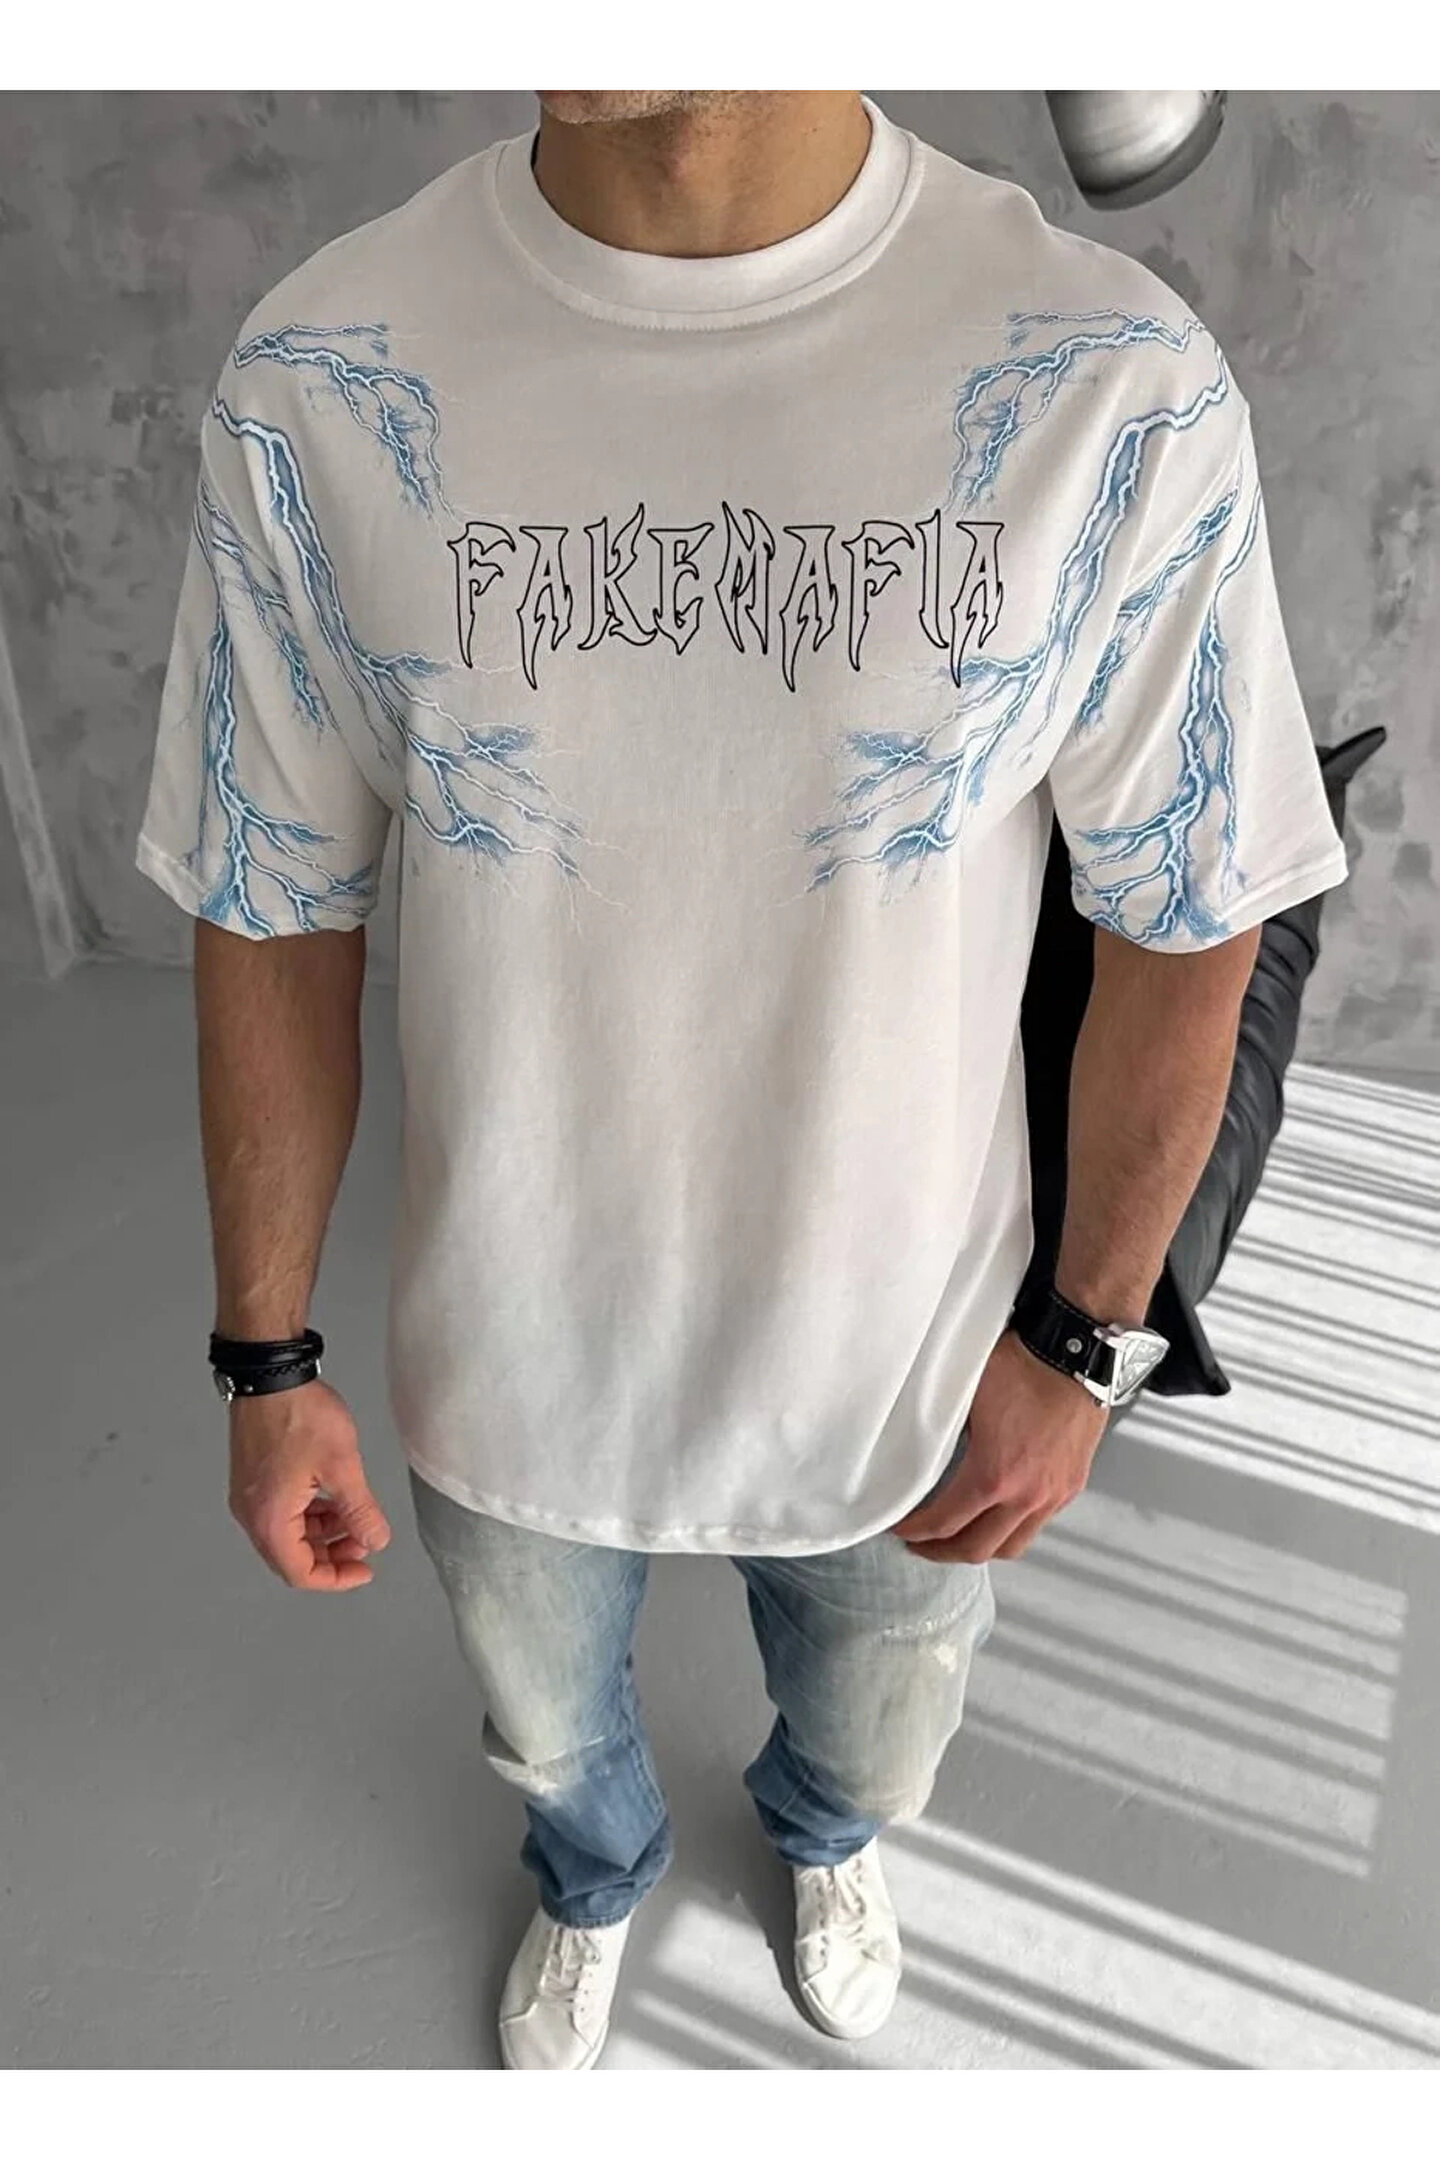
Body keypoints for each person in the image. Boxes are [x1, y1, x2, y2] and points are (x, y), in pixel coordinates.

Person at [134, 89, 1349, 2071]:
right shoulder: (326, 379)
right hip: (512, 1354)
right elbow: (273, 896)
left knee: (878, 1742)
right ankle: (596, 1872)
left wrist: (1086, 1343)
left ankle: (822, 1839)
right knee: (546, 1738)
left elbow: (1190, 906)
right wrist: (263, 1358)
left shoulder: (1110, 388)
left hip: (911, 1364)